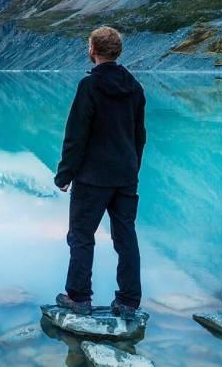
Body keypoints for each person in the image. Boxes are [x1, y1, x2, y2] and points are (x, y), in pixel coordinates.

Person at [53, 26, 146, 320]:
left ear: (93, 49)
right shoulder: (135, 87)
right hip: (125, 175)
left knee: (81, 236)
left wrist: (65, 174)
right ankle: (129, 301)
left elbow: (76, 134)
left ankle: (79, 297)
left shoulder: (89, 86)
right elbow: (139, 135)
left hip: (93, 177)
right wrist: (132, 167)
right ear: (117, 51)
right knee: (126, 236)